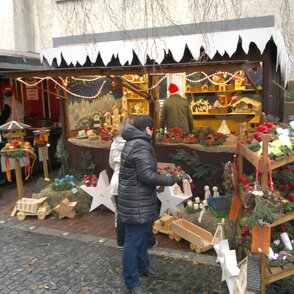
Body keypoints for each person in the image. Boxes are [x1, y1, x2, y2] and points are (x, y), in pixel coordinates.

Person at [117, 115, 176, 294]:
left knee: (141, 236)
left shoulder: (132, 141)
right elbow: (146, 176)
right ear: (148, 129)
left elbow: (141, 170)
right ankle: (131, 281)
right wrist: (170, 179)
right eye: (153, 129)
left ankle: (143, 267)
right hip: (137, 200)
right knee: (133, 241)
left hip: (135, 198)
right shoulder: (141, 144)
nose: (153, 133)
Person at [110, 116, 159, 249]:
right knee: (140, 217)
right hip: (132, 184)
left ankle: (121, 242)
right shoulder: (138, 143)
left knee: (121, 215)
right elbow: (145, 173)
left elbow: (111, 163)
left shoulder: (116, 142)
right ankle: (145, 243)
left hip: (117, 181)